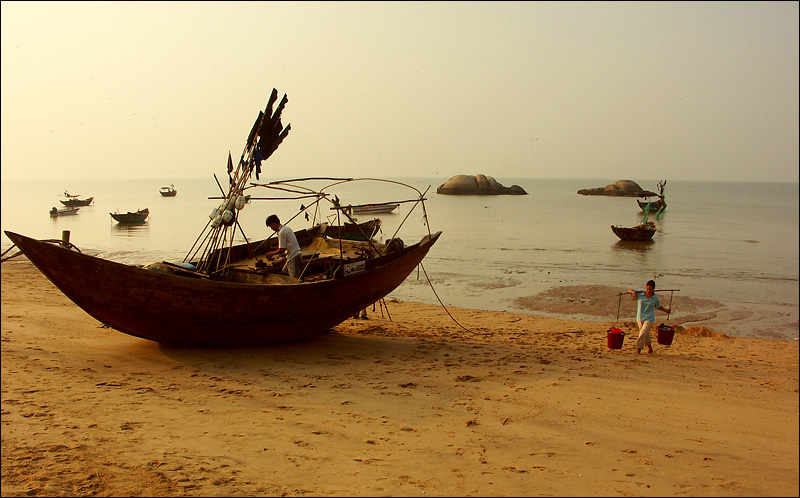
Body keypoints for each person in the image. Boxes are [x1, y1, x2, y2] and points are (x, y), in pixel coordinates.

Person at [627, 280, 670, 354]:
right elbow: (629, 290)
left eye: (650, 289)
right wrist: (634, 293)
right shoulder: (640, 294)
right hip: (640, 317)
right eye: (647, 289)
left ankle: (638, 349)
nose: (648, 291)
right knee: (645, 334)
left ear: (653, 289)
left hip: (649, 318)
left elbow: (658, 306)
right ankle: (650, 349)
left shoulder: (655, 298)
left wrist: (666, 311)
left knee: (642, 334)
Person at [265, 214, 303, 279]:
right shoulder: (287, 228)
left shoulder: (281, 232)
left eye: (271, 227)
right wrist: (274, 248)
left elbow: (282, 249)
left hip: (293, 257)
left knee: (294, 279)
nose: (272, 229)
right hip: (296, 255)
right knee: (284, 273)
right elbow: (286, 244)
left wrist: (272, 253)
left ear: (274, 224)